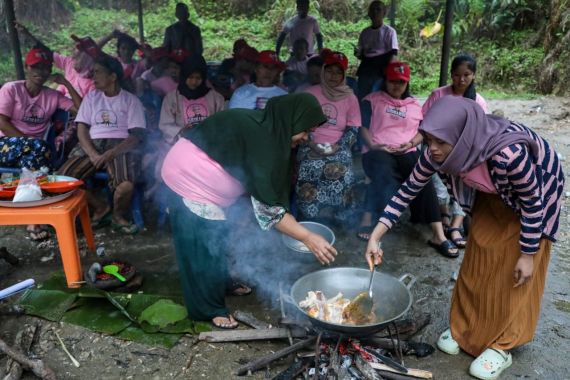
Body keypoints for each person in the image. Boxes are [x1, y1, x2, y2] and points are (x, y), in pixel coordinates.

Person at [365, 96, 564, 380]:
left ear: (463, 138)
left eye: (440, 143)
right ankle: (465, 328)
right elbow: (407, 191)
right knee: (478, 260)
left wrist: (528, 254)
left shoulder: (511, 156)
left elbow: (533, 204)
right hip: (493, 192)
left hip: (534, 196)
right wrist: (376, 236)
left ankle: (502, 345)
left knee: (514, 272)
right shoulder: (438, 148)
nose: (432, 149)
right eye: (429, 139)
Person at [161, 93, 337, 328]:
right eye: (305, 131)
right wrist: (307, 236)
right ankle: (207, 308)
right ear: (291, 120)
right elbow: (268, 209)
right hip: (189, 178)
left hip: (206, 182)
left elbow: (266, 194)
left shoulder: (268, 130)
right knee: (202, 249)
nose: (306, 138)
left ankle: (221, 281)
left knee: (220, 236)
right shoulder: (263, 138)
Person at [356, 62, 456, 256]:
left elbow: (423, 131)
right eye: (392, 81)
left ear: (407, 83)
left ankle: (438, 234)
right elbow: (363, 128)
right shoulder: (372, 100)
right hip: (378, 149)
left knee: (422, 175)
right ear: (385, 80)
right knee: (384, 173)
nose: (396, 86)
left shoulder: (413, 105)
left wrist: (410, 144)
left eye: (401, 82)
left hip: (405, 150)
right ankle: (371, 221)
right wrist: (374, 145)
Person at [58, 55, 146, 234]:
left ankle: (118, 215)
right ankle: (101, 207)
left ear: (112, 77)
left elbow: (136, 136)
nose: (93, 77)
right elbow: (82, 129)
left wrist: (110, 154)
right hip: (92, 143)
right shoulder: (91, 98)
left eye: (97, 72)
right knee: (63, 180)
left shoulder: (130, 100)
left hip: (121, 145)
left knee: (126, 185)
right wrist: (92, 154)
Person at [0, 47, 81, 241]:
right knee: (41, 153)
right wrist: (28, 141)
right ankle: (36, 217)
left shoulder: (51, 96)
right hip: (5, 145)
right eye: (36, 67)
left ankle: (31, 217)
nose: (40, 72)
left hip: (34, 153)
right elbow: (1, 121)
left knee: (38, 155)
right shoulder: (12, 89)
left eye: (45, 68)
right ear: (27, 67)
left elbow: (80, 109)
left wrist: (66, 83)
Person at [423, 53, 487, 249]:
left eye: (467, 75)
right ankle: (444, 215)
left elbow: (481, 131)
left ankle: (456, 226)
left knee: (465, 184)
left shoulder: (478, 101)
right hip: (439, 150)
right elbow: (424, 122)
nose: (461, 79)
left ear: (474, 75)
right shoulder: (439, 94)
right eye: (457, 75)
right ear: (451, 74)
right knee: (439, 187)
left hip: (465, 154)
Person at [295, 51, 360, 225]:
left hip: (339, 146)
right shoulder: (310, 93)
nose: (333, 76)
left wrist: (337, 146)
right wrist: (312, 144)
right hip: (310, 143)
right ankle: (309, 215)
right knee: (310, 167)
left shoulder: (350, 98)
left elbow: (353, 129)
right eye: (330, 71)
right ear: (323, 71)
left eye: (339, 72)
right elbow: (299, 124)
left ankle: (340, 217)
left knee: (342, 169)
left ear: (344, 75)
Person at [354, 0, 398, 101]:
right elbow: (361, 54)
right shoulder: (365, 32)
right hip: (365, 69)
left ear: (384, 13)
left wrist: (388, 75)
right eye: (372, 9)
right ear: (369, 13)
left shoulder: (390, 32)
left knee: (377, 99)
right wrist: (358, 53)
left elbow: (394, 55)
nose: (375, 12)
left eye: (378, 9)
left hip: (381, 70)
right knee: (362, 98)